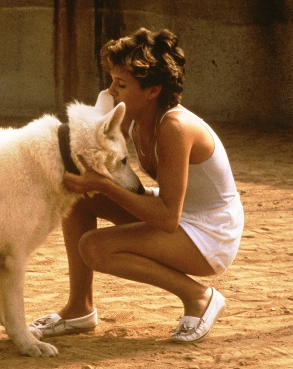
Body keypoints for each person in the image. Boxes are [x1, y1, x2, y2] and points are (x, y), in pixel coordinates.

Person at [30, 28, 244, 343]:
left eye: (121, 84)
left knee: (94, 247)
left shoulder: (174, 127)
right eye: (112, 81)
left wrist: (104, 185)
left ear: (152, 90)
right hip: (178, 213)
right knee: (79, 197)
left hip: (210, 233)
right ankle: (79, 308)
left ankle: (199, 297)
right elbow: (93, 149)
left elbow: (167, 218)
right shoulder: (132, 114)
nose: (111, 91)